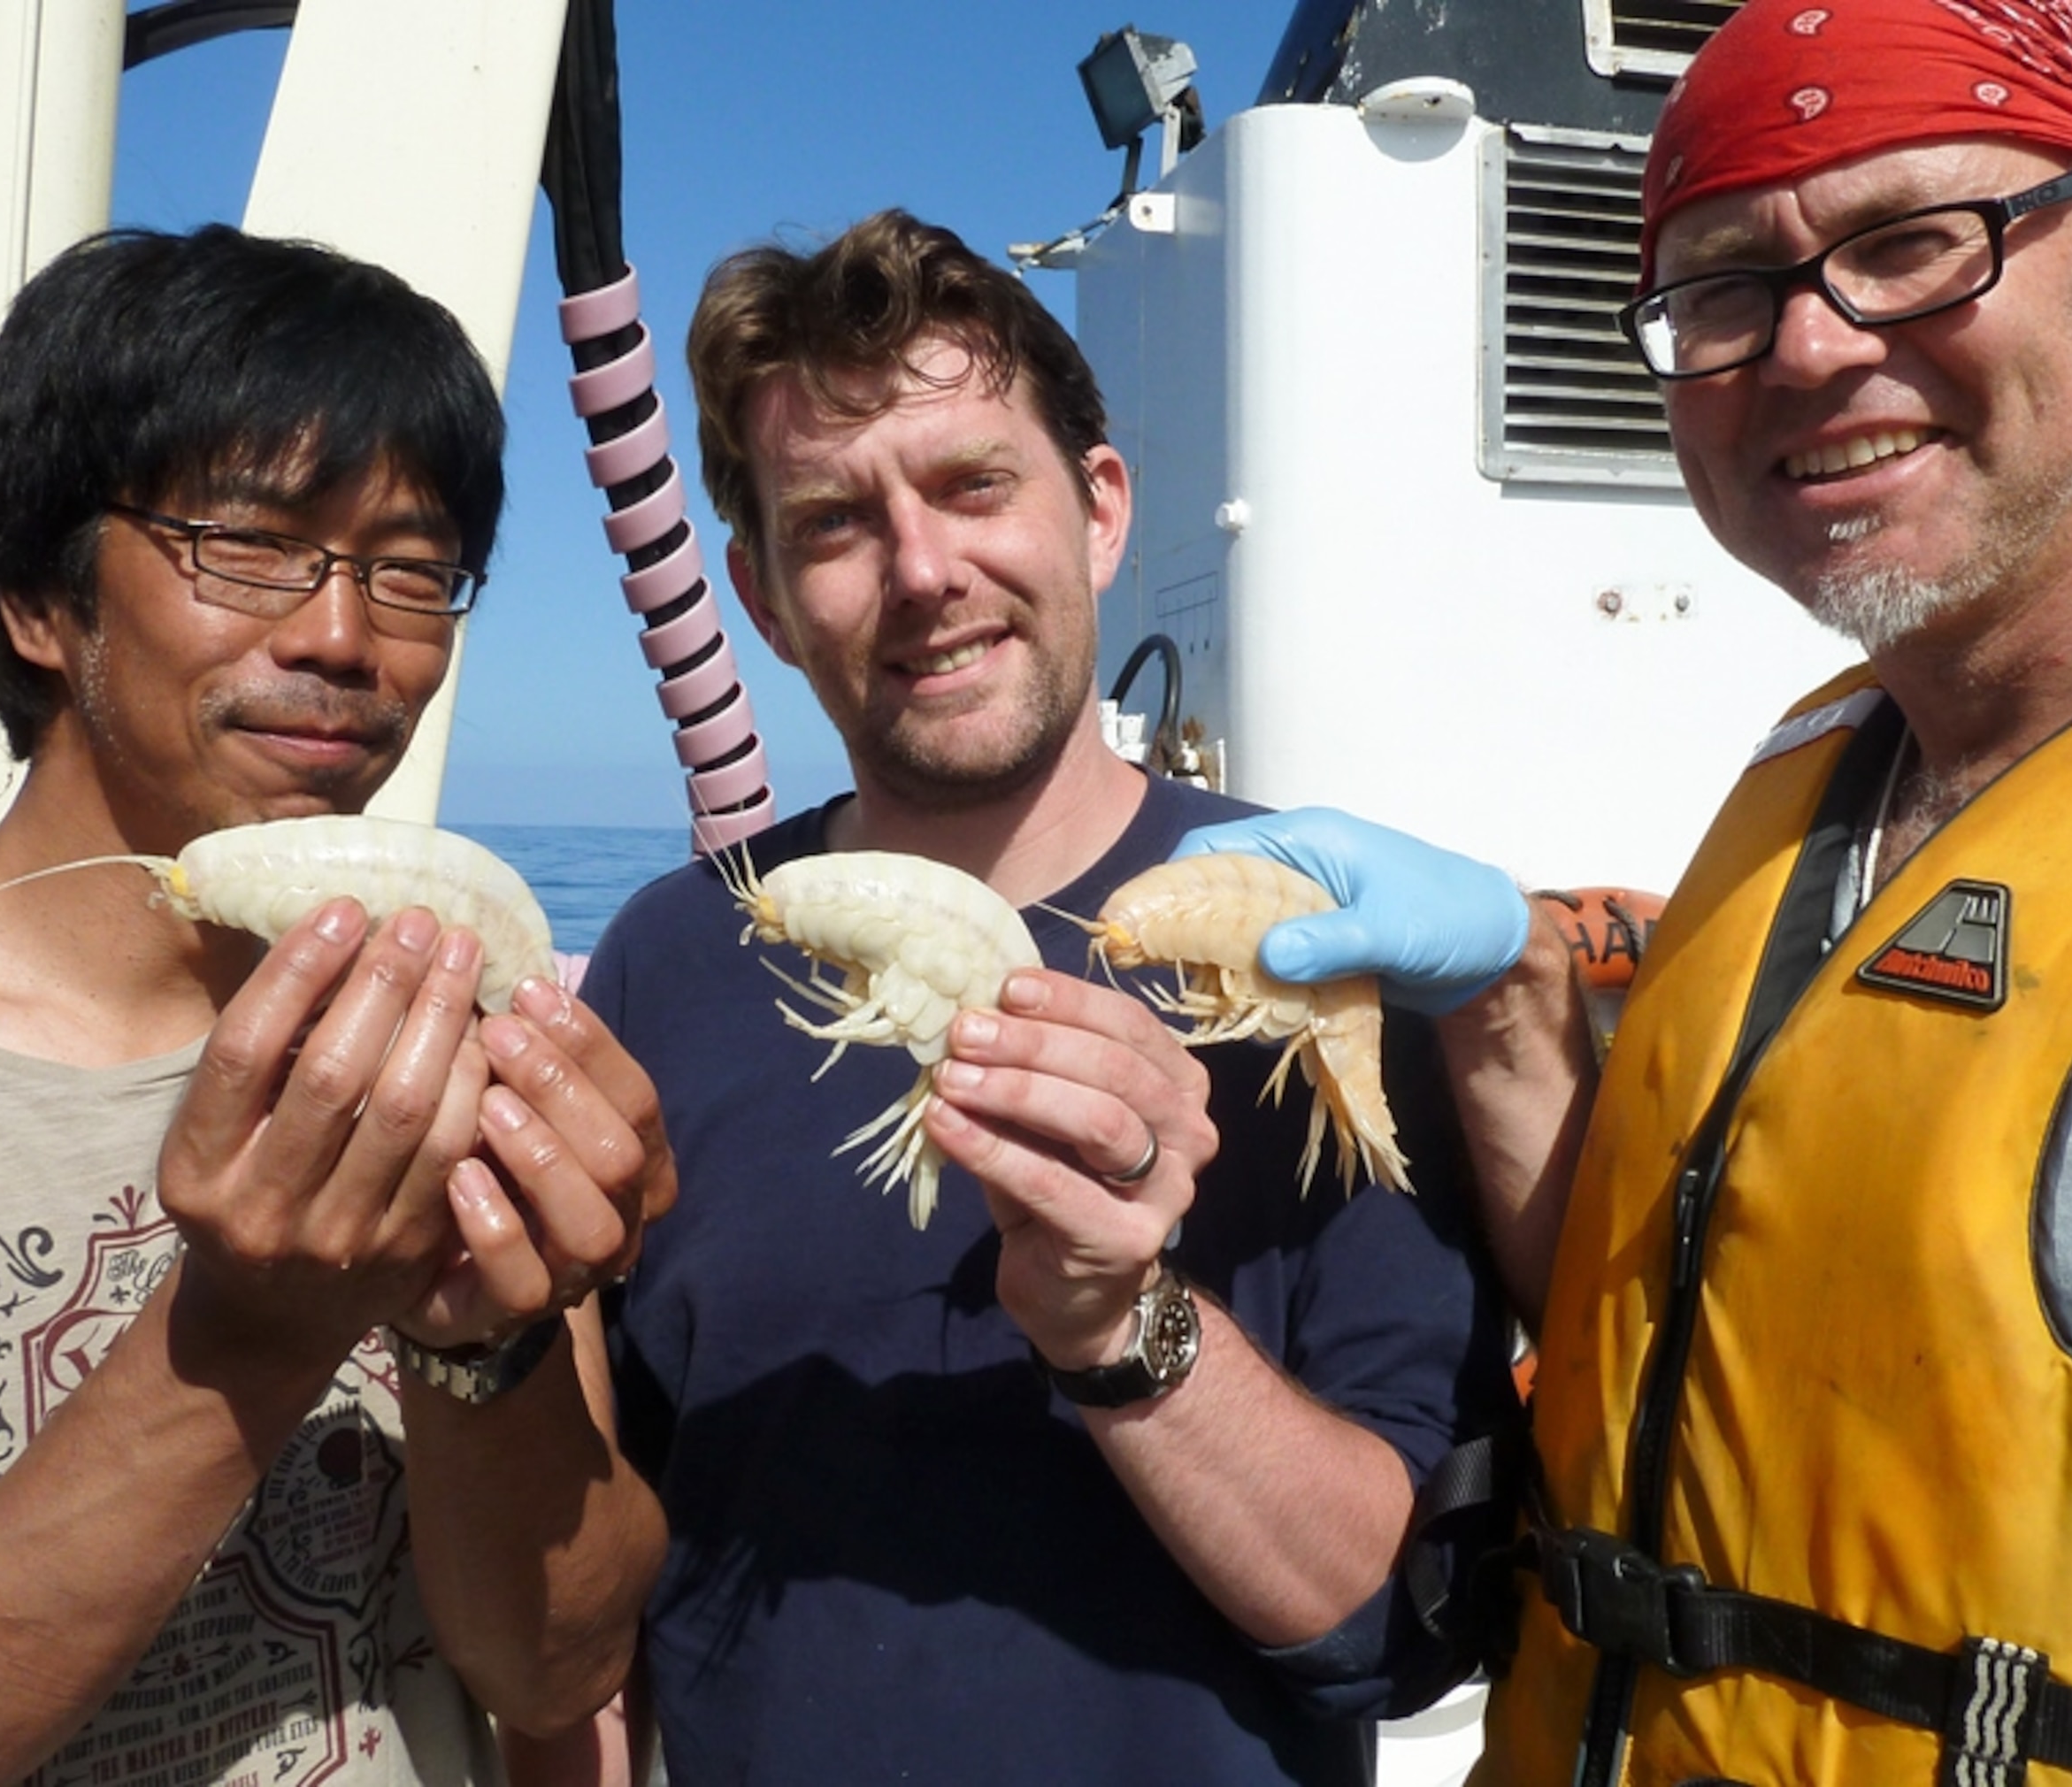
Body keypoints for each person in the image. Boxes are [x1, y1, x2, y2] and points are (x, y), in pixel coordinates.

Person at [1184, 0, 2072, 1780]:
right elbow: (1679, 1296)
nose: (1813, 347)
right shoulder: (1823, 765)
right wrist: (1512, 993)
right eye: (1729, 285)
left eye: (1914, 240)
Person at [0, 226, 669, 1787]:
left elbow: (556, 1668)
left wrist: (490, 1354)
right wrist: (255, 1336)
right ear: (34, 597)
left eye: (410, 570)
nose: (344, 636)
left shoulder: (445, 1035)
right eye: (248, 544)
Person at [579, 209, 1510, 1786]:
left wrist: (1116, 1323)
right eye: (833, 522)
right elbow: (604, 1577)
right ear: (758, 591)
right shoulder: (672, 961)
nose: (925, 571)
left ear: (1098, 510)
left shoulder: (1307, 951)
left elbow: (1388, 1615)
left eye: (972, 485)